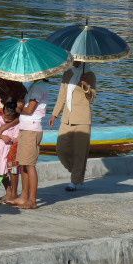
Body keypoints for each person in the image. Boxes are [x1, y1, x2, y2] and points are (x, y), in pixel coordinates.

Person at [49, 62, 97, 192]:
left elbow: (92, 97)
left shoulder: (89, 74)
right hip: (67, 118)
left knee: (80, 152)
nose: (73, 60)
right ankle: (77, 172)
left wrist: (86, 86)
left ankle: (75, 180)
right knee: (61, 149)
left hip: (82, 119)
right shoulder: (67, 73)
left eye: (76, 58)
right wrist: (54, 114)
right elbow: (62, 96)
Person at [9, 80, 49, 209]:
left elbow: (30, 110)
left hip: (31, 129)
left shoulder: (38, 87)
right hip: (26, 128)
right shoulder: (32, 85)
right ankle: (24, 197)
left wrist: (19, 107)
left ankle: (32, 200)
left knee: (30, 165)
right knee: (23, 165)